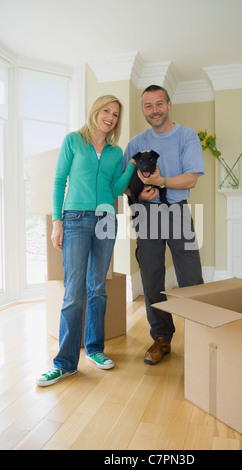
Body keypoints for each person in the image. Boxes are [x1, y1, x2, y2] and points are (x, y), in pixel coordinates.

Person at [36, 95, 136, 386]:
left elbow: (116, 188)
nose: (110, 117)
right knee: (73, 291)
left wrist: (128, 168)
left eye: (116, 115)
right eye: (106, 110)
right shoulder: (73, 141)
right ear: (95, 111)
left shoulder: (116, 152)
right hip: (75, 219)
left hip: (106, 219)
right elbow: (59, 181)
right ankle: (65, 363)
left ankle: (94, 349)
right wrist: (57, 222)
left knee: (98, 288)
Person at [124, 85, 205, 365]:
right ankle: (161, 338)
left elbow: (191, 178)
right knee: (152, 279)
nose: (154, 110)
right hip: (146, 214)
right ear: (143, 109)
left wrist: (161, 182)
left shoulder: (187, 136)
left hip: (177, 211)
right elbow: (125, 184)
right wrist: (138, 194)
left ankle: (201, 335)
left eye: (159, 104)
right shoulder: (136, 143)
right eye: (148, 106)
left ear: (169, 105)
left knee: (191, 278)